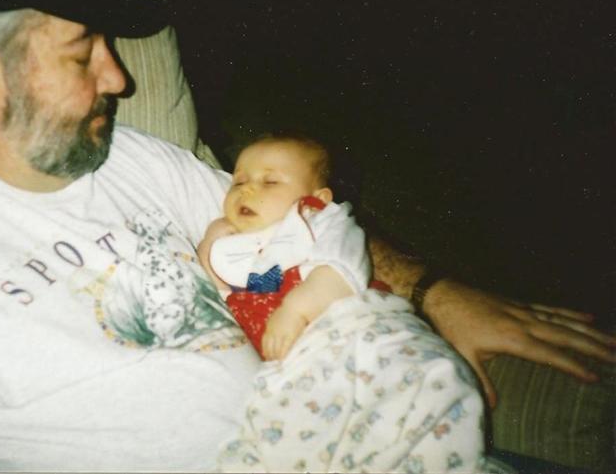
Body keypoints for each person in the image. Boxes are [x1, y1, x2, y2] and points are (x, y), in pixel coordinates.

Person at [0, 0, 613, 471]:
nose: (119, 77)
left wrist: (436, 292)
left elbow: (297, 225)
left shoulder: (126, 154)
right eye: (83, 50)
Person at [198, 134, 491, 472]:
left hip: (355, 329)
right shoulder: (241, 249)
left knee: (422, 382)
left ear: (317, 196)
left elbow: (340, 267)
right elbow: (225, 289)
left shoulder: (317, 220)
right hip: (301, 370)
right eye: (238, 181)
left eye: (270, 181)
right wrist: (211, 242)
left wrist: (295, 309)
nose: (247, 189)